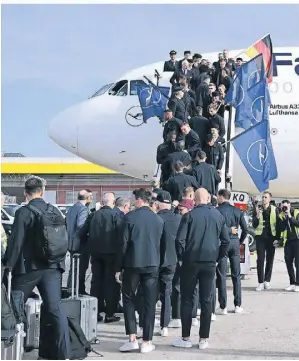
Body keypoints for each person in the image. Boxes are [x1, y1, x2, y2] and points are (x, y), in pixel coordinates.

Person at [3, 176, 71, 360]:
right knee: (55, 309)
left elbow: (16, 243)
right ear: (42, 192)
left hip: (27, 270)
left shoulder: (23, 212)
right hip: (53, 267)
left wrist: (7, 266)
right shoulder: (54, 210)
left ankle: (13, 351)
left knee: (14, 306)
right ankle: (62, 353)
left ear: (25, 193)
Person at [173, 188, 230, 350]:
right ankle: (204, 339)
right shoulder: (218, 216)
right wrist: (217, 258)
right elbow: (225, 241)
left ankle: (185, 338)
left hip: (190, 262)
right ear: (208, 198)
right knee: (206, 300)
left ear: (195, 199)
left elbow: (179, 240)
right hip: (210, 263)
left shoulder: (189, 216)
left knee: (187, 299)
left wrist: (183, 257)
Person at [115, 189, 164, 353]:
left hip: (132, 264)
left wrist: (118, 268)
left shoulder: (129, 218)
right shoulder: (158, 219)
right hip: (152, 265)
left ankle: (132, 338)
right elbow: (162, 245)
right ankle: (146, 341)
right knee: (150, 302)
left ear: (138, 200)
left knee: (128, 298)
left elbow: (122, 245)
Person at [89, 192, 121, 323]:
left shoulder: (93, 215)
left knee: (96, 282)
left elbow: (84, 232)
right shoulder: (115, 215)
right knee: (110, 283)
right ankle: (110, 313)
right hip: (111, 254)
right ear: (113, 202)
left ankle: (95, 312)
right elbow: (120, 235)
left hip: (95, 253)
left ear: (102, 202)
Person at [215, 189, 248, 315]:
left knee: (222, 275)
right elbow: (245, 228)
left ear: (222, 197)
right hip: (234, 243)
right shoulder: (237, 210)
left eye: (218, 196)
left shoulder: (217, 211)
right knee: (236, 274)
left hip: (222, 243)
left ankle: (223, 306)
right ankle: (238, 304)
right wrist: (240, 241)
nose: (217, 198)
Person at [168, 198, 199, 329]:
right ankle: (193, 315)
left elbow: (180, 240)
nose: (179, 212)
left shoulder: (184, 220)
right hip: (196, 257)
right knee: (194, 287)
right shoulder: (195, 220)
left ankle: (177, 316)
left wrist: (181, 256)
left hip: (183, 258)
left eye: (182, 210)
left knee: (178, 286)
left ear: (189, 208)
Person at [156, 191, 182, 336]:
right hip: (172, 260)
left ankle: (144, 323)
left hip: (156, 260)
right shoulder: (178, 218)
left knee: (151, 292)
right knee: (167, 292)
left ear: (159, 204)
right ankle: (164, 326)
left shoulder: (155, 218)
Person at [252, 192, 280, 291]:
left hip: (271, 238)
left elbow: (278, 225)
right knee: (260, 260)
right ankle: (260, 282)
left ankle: (267, 281)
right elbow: (254, 225)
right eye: (263, 197)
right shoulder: (257, 209)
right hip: (260, 238)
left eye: (265, 197)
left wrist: (277, 238)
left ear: (270, 199)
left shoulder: (275, 209)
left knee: (270, 259)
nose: (263, 199)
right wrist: (258, 216)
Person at [66, 189, 92, 295]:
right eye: (91, 196)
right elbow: (81, 227)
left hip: (71, 243)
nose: (92, 198)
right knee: (80, 269)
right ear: (87, 198)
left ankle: (70, 289)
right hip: (80, 244)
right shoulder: (83, 210)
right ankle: (77, 291)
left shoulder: (72, 208)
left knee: (74, 268)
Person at [278, 200, 299, 292]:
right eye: (283, 207)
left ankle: (298, 284)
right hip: (288, 241)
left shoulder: (296, 212)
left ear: (290, 205)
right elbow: (281, 228)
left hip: (297, 241)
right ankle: (292, 283)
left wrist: (290, 216)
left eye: (286, 206)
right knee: (288, 262)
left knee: (297, 264)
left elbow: (297, 224)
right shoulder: (282, 215)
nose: (284, 208)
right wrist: (284, 217)